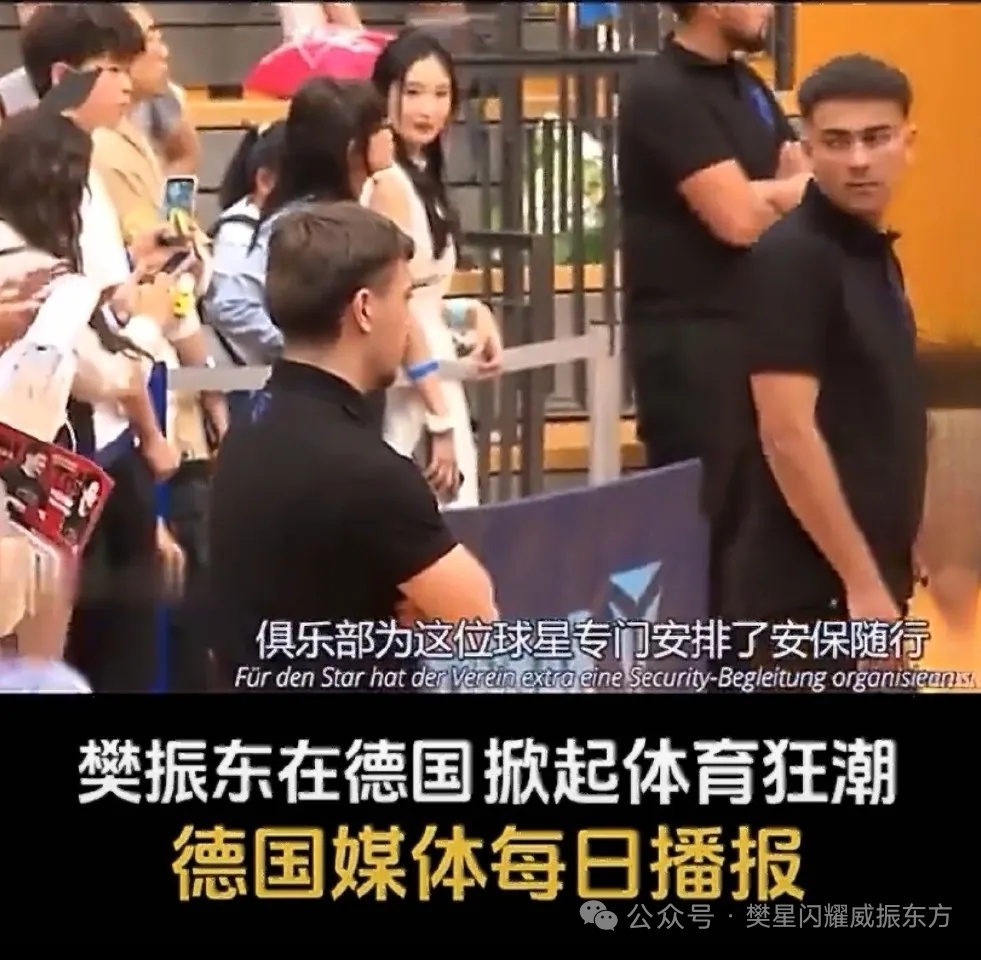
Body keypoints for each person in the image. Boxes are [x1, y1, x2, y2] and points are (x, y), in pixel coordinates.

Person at [203, 202, 497, 691]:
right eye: (404, 298)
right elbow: (476, 616)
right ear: (364, 309)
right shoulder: (372, 474)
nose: (409, 323)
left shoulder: (243, 434)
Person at [722, 55, 925, 680]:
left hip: (863, 585)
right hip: (806, 601)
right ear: (808, 150)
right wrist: (862, 585)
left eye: (876, 137)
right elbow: (787, 432)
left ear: (908, 143)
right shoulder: (793, 259)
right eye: (837, 142)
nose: (859, 159)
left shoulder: (873, 253)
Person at [617, 2, 807, 615]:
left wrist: (776, 193)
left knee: (761, 544)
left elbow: (804, 181)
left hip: (759, 335)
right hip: (692, 352)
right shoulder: (660, 91)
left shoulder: (748, 85)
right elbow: (739, 218)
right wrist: (780, 193)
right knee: (705, 545)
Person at [21, 3, 175, 692]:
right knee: (69, 659)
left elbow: (103, 301)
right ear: (63, 79)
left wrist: (136, 279)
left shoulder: (86, 169)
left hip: (110, 442)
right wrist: (141, 334)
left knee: (121, 652)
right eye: (107, 68)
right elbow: (71, 336)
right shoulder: (40, 174)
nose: (125, 81)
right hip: (66, 454)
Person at [368, 28, 502, 510]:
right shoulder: (388, 184)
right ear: (386, 95)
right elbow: (395, 302)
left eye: (441, 94)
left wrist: (469, 312)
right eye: (414, 92)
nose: (428, 109)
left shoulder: (422, 174)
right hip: (409, 387)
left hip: (433, 377)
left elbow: (424, 297)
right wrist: (439, 419)